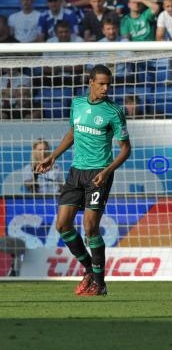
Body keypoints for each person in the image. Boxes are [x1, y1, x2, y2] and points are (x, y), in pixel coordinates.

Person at [35, 64, 131, 296]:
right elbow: (72, 133)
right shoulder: (77, 104)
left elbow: (126, 149)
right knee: (62, 225)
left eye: (109, 84)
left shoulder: (114, 111)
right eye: (101, 83)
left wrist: (107, 172)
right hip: (76, 171)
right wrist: (52, 156)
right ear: (90, 82)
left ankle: (99, 284)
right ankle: (90, 269)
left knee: (90, 227)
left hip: (99, 173)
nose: (106, 88)